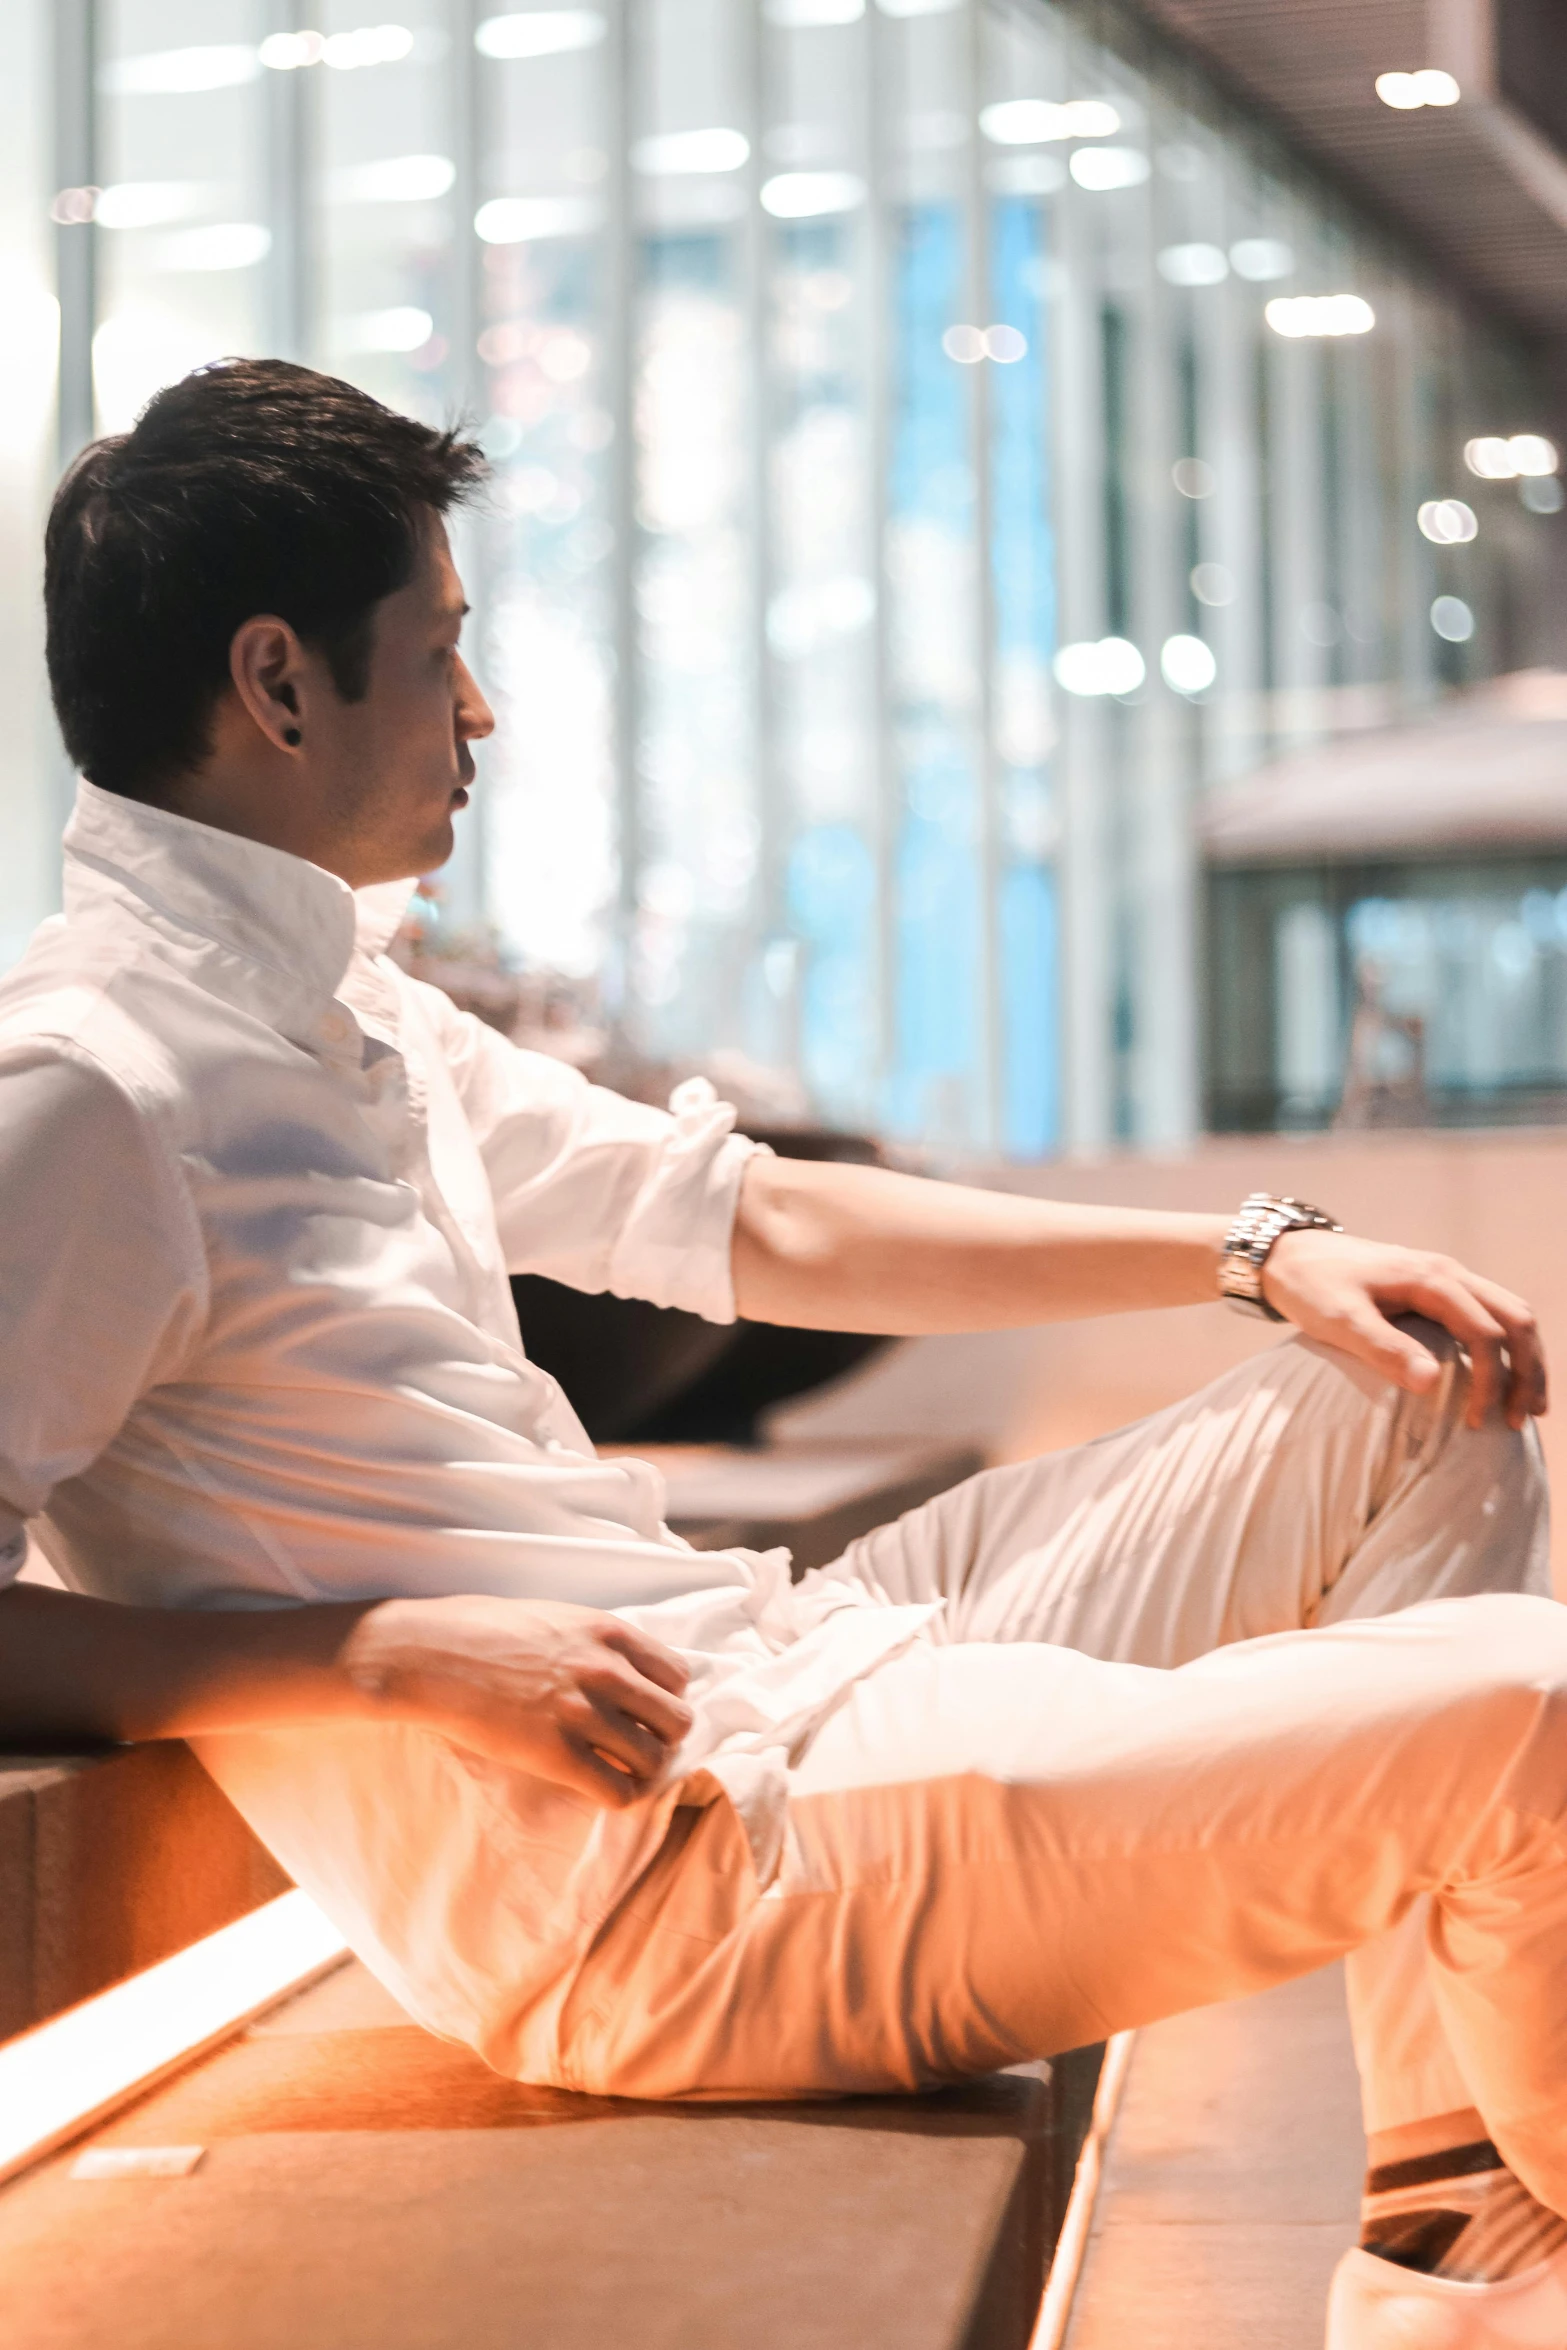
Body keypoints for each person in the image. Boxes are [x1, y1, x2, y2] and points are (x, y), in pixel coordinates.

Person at [2, 360, 1563, 2350]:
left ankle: (1451, 2238)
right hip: (669, 1876)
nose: (479, 714)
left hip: (777, 1661)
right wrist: (371, 1655)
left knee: (1410, 1384)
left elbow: (763, 1219)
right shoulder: (90, 1087)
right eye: (445, 652)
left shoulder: (350, 1008)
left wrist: (1259, 1254)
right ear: (281, 684)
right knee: (1538, 1707)